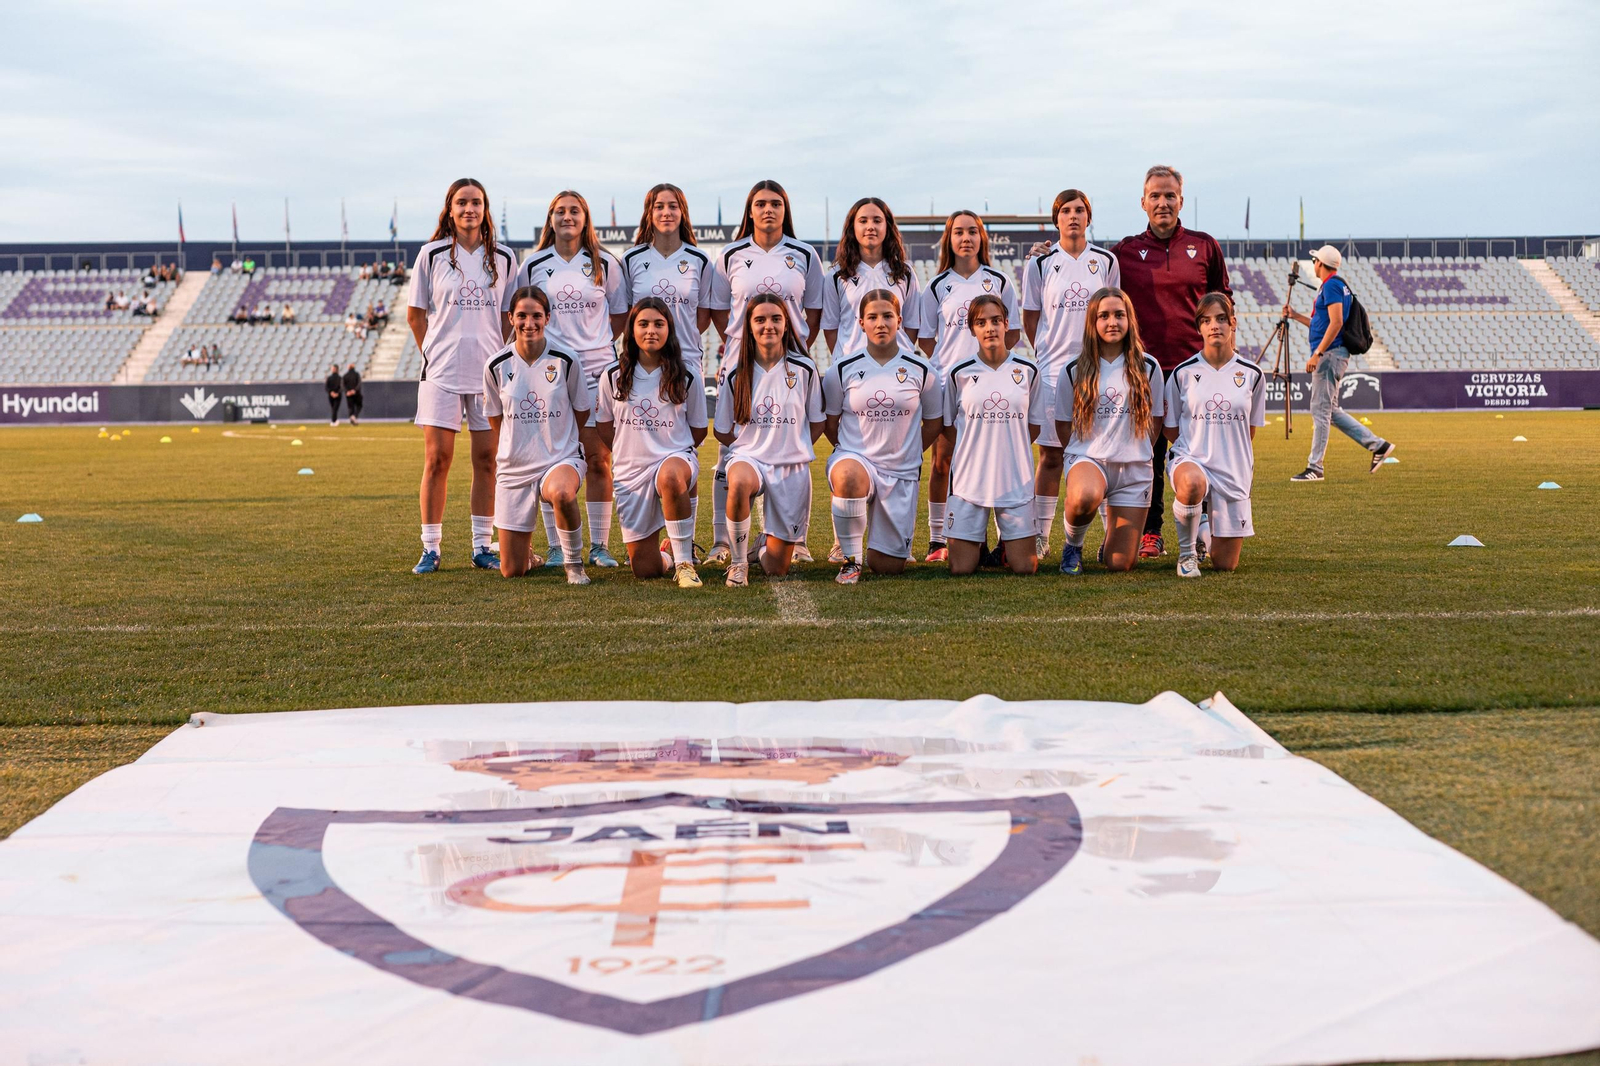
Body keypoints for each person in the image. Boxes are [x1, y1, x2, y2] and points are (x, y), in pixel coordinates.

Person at [705, 179, 825, 566]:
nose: (768, 209)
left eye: (776, 203)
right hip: (742, 363)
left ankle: (796, 538)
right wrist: (746, 345)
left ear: (785, 209)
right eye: (761, 203)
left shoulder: (805, 254)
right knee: (730, 453)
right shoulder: (732, 254)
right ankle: (724, 542)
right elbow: (723, 312)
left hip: (789, 360)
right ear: (750, 210)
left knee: (793, 446)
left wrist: (791, 343)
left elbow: (815, 312)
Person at [1114, 165, 1230, 558]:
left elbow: (1223, 305)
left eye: (1170, 195)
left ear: (1182, 200)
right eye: (1155, 195)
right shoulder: (1124, 252)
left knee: (1199, 451)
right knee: (1146, 453)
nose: (1163, 202)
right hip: (1143, 370)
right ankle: (1150, 531)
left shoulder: (1205, 245)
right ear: (1143, 202)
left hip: (1193, 370)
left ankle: (1203, 527)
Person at [406, 177, 517, 574]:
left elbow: (510, 316)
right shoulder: (432, 254)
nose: (470, 209)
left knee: (488, 459)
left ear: (485, 210)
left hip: (489, 373)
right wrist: (433, 353)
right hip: (441, 372)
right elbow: (416, 314)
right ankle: (431, 548)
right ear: (450, 210)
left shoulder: (503, 257)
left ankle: (481, 547)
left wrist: (497, 355)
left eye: (476, 202)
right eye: (462, 202)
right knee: (438, 458)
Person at [512, 190, 628, 569]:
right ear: (550, 219)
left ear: (585, 217)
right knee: (548, 459)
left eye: (574, 211)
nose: (567, 217)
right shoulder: (533, 265)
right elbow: (523, 315)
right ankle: (559, 546)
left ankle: (599, 546)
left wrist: (591, 346)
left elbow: (619, 317)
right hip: (550, 374)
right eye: (560, 211)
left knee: (598, 458)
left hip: (596, 372)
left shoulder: (604, 263)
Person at [916, 210, 1022, 563]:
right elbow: (927, 338)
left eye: (973, 231)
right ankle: (937, 539)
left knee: (994, 459)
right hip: (953, 384)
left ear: (982, 238)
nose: (966, 238)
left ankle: (1004, 538)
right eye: (958, 231)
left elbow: (1015, 332)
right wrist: (953, 363)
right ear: (949, 239)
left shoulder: (999, 281)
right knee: (943, 461)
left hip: (992, 386)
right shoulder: (936, 285)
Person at [1021, 189, 1121, 561]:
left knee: (1107, 453)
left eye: (1080, 210)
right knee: (1050, 455)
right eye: (1066, 211)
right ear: (1056, 219)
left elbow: (1113, 313)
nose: (1073, 216)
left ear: (1088, 217)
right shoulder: (1041, 264)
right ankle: (1040, 536)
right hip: (1052, 372)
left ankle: (1109, 538)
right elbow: (1031, 316)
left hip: (1099, 370)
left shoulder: (1106, 261)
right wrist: (1048, 353)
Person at [822, 289, 942, 584]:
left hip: (900, 471)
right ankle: (850, 561)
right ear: (861, 322)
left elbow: (934, 422)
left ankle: (878, 550)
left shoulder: (923, 370)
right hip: (857, 459)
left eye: (887, 316)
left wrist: (907, 450)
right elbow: (829, 421)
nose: (880, 323)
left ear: (899, 321)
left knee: (888, 566)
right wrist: (847, 452)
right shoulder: (841, 368)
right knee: (849, 475)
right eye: (872, 317)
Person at [483, 287, 596, 586]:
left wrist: (556, 438)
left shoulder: (565, 359)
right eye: (521, 315)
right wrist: (521, 442)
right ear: (510, 318)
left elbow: (581, 412)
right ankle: (528, 555)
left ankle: (574, 565)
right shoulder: (495, 365)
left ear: (547, 317)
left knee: (561, 492)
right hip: (514, 466)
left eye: (536, 315)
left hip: (559, 458)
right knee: (512, 570)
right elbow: (497, 418)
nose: (528, 323)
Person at [594, 297, 708, 588]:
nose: (651, 331)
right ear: (631, 330)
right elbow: (606, 427)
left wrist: (671, 450)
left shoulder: (687, 375)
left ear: (669, 329)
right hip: (630, 472)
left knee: (670, 475)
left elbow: (698, 432)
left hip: (674, 459)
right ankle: (668, 556)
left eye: (659, 324)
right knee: (644, 568)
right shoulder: (612, 376)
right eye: (642, 324)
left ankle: (684, 563)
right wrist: (630, 448)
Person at [713, 293, 825, 587]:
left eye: (776, 318)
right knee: (738, 480)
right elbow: (722, 430)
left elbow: (817, 423)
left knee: (777, 569)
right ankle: (738, 565)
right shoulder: (736, 372)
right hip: (750, 459)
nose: (768, 326)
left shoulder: (805, 369)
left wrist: (792, 446)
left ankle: (759, 543)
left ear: (787, 324)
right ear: (748, 326)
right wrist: (746, 447)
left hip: (790, 467)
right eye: (759, 319)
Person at [1053, 287, 1164, 575]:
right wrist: (1084, 455)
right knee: (1086, 495)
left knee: (1120, 563)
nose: (1112, 322)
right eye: (1103, 316)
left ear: (1130, 320)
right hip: (1090, 460)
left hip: (1135, 469)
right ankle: (1072, 545)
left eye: (1119, 315)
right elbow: (1064, 424)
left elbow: (1155, 422)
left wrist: (1133, 449)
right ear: (1093, 322)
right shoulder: (1073, 369)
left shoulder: (1149, 367)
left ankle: (1110, 542)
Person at [1164, 293, 1266, 577]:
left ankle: (1202, 525)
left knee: (1225, 565)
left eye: (1221, 319)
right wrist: (1196, 449)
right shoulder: (1182, 373)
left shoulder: (1253, 374)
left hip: (1233, 469)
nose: (1215, 326)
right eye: (1206, 320)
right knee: (1193, 483)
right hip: (1191, 458)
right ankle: (1186, 557)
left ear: (1233, 323)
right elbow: (1171, 429)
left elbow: (1249, 430)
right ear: (1199, 328)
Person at [943, 294, 1044, 576]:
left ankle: (1004, 542)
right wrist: (976, 445)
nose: (990, 328)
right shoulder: (958, 373)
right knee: (960, 569)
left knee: (1025, 567)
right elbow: (950, 426)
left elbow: (1033, 426)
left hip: (1015, 478)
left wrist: (1008, 443)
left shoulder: (1028, 371)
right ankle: (979, 541)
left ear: (1006, 324)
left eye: (996, 321)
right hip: (968, 480)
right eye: (981, 322)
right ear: (972, 328)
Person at [1283, 245, 1396, 480]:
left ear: (1321, 264)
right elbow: (1320, 324)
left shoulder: (1333, 285)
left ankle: (1315, 467)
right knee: (1329, 411)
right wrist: (1295, 316)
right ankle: (1378, 445)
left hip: (1330, 354)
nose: (1313, 264)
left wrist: (1317, 353)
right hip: (1333, 353)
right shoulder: (1334, 285)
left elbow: (1335, 323)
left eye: (1315, 261)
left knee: (1321, 410)